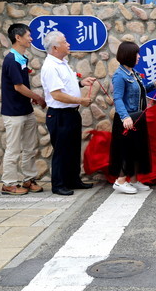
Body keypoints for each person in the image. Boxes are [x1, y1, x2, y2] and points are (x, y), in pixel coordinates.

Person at [40, 31, 96, 196]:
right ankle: (58, 185)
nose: (69, 44)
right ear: (56, 47)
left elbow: (65, 85)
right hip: (59, 114)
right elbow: (56, 94)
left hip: (71, 113)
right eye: (65, 41)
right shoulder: (50, 67)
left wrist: (80, 83)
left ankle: (73, 180)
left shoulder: (62, 62)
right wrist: (81, 101)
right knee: (61, 150)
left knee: (72, 148)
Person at [110, 41, 156, 195]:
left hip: (137, 117)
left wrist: (154, 85)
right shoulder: (119, 75)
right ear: (128, 55)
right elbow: (118, 98)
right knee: (126, 151)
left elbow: (141, 90)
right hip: (127, 119)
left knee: (136, 150)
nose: (139, 57)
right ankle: (120, 181)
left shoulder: (133, 73)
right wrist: (125, 117)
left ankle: (133, 180)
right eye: (136, 54)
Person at [0, 23, 46, 195]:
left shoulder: (21, 59)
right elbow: (18, 87)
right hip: (13, 113)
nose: (31, 39)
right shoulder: (11, 60)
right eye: (28, 36)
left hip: (26, 110)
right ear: (18, 38)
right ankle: (9, 183)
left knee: (29, 148)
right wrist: (38, 98)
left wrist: (31, 99)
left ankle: (28, 179)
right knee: (13, 149)